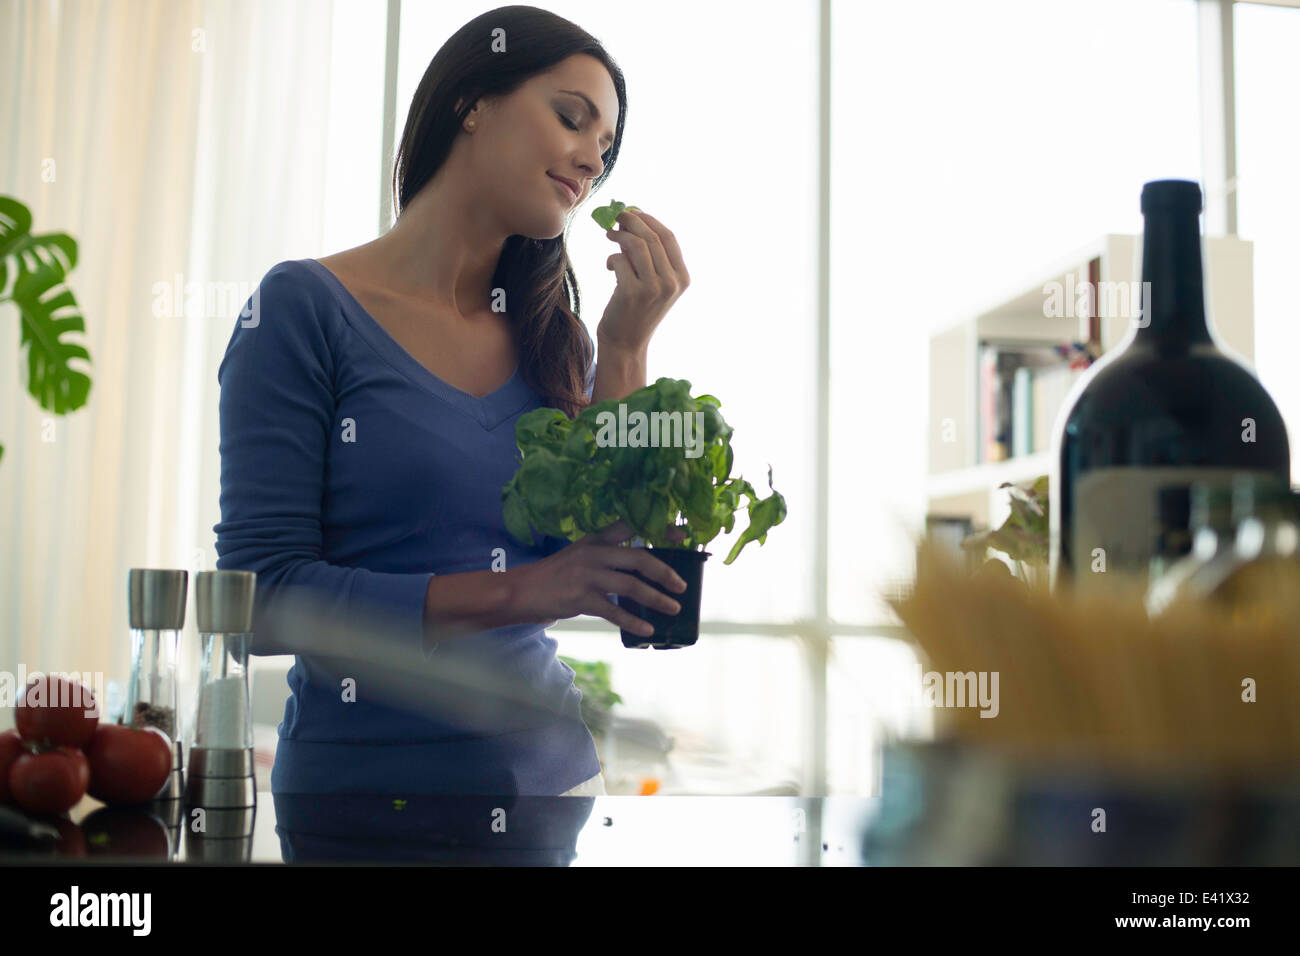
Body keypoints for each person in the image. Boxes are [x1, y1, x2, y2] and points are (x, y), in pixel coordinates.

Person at [213, 6, 690, 797]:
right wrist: (524, 589)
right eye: (571, 119)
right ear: (472, 102)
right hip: (361, 805)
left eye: (604, 151)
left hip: (554, 785)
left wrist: (628, 347)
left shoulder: (555, 341)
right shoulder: (303, 308)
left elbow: (605, 554)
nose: (589, 163)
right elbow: (259, 602)